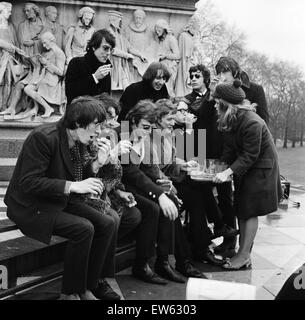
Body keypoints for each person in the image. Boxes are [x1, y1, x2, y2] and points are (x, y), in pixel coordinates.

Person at [4, 96, 121, 300]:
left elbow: (77, 175)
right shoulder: (44, 137)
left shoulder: (78, 138)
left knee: (107, 222)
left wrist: (97, 164)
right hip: (31, 205)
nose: (98, 131)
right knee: (84, 228)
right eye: (95, 125)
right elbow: (29, 182)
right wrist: (73, 186)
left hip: (57, 200)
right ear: (77, 123)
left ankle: (88, 285)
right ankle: (69, 293)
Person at [122, 100, 205, 283]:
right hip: (123, 187)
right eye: (169, 118)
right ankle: (146, 264)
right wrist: (160, 191)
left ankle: (167, 261)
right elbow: (131, 171)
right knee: (155, 208)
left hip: (149, 182)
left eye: (149, 127)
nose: (172, 122)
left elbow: (152, 166)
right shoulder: (125, 133)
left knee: (182, 199)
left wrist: (164, 187)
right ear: (134, 120)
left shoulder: (157, 134)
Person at [144, 99, 227, 266]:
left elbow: (180, 157)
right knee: (196, 194)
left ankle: (203, 245)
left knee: (199, 191)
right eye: (170, 119)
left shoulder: (167, 133)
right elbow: (153, 168)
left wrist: (184, 164)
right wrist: (174, 179)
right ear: (158, 119)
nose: (173, 122)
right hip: (160, 184)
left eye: (175, 117)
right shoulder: (153, 136)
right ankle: (202, 246)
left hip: (172, 179)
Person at [212, 79, 282, 270]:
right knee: (242, 208)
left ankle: (243, 255)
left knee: (249, 210)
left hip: (261, 169)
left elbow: (250, 155)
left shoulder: (252, 121)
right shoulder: (231, 117)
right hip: (248, 167)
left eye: (217, 102)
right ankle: (243, 254)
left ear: (225, 104)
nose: (215, 105)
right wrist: (215, 168)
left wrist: (227, 172)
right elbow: (229, 149)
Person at [185, 64, 238, 258]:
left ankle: (230, 240)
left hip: (219, 152)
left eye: (197, 75)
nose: (192, 78)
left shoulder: (216, 98)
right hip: (198, 153)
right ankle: (211, 232)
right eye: (190, 76)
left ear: (206, 78)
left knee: (225, 196)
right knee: (203, 191)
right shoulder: (187, 100)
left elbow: (215, 116)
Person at [65, 29, 115, 105]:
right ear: (94, 47)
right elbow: (70, 92)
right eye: (105, 48)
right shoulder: (76, 63)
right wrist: (94, 78)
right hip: (77, 114)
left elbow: (106, 98)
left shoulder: (105, 69)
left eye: (111, 50)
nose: (108, 53)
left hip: (99, 115)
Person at [215, 56, 270, 125]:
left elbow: (263, 121)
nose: (222, 77)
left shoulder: (255, 90)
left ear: (235, 73)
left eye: (225, 71)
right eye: (219, 73)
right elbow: (203, 123)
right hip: (220, 133)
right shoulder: (213, 93)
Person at [23, 31, 65, 119]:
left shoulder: (59, 53)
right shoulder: (47, 52)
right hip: (43, 77)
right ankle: (44, 107)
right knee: (27, 89)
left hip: (52, 80)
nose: (44, 46)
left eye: (45, 43)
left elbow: (61, 72)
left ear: (52, 41)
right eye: (43, 43)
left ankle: (46, 108)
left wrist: (47, 63)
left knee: (33, 87)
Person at [107, 10, 147, 90]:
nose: (121, 23)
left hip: (121, 65)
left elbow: (129, 47)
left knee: (126, 86)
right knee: (113, 87)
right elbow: (112, 50)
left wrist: (140, 55)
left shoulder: (119, 34)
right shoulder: (108, 33)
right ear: (113, 21)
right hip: (113, 64)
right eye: (119, 21)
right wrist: (127, 55)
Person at [0, 1, 26, 113]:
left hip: (10, 59)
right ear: (1, 11)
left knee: (9, 81)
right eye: (8, 11)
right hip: (1, 58)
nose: (10, 14)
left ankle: (5, 106)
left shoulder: (11, 26)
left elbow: (15, 43)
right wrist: (12, 47)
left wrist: (17, 51)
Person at [148, 19, 180, 96]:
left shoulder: (171, 39)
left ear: (164, 29)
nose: (157, 32)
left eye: (159, 30)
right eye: (156, 30)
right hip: (162, 68)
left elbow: (178, 55)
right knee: (161, 89)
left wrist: (165, 56)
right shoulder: (162, 40)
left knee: (169, 89)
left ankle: (170, 106)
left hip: (170, 67)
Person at [175, 15, 201, 97]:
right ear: (191, 26)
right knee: (184, 82)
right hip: (185, 63)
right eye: (195, 27)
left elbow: (195, 51)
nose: (196, 29)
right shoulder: (183, 36)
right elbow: (182, 54)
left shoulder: (194, 38)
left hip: (191, 63)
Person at [125, 9, 152, 81]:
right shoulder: (128, 30)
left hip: (143, 59)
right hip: (131, 59)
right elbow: (126, 45)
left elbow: (150, 46)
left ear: (143, 19)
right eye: (136, 17)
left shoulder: (147, 31)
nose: (138, 20)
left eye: (140, 18)